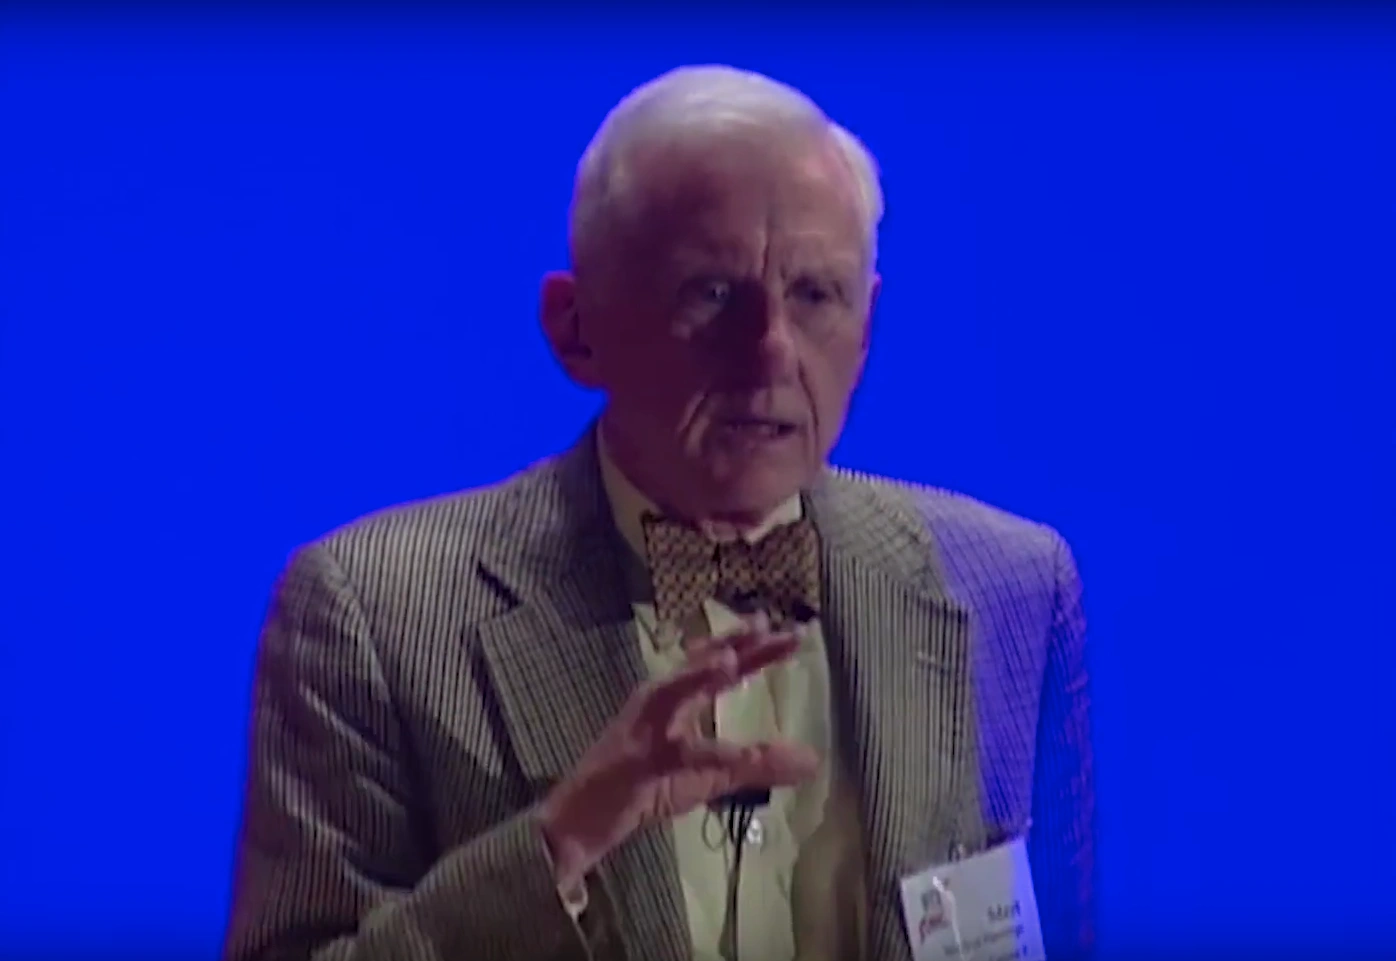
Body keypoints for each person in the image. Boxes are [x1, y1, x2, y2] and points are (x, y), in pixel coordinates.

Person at [222, 65, 1094, 961]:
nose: (769, 354)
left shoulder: (1010, 586)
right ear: (575, 327)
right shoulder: (372, 613)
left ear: (867, 322)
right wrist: (557, 844)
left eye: (814, 295)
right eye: (711, 294)